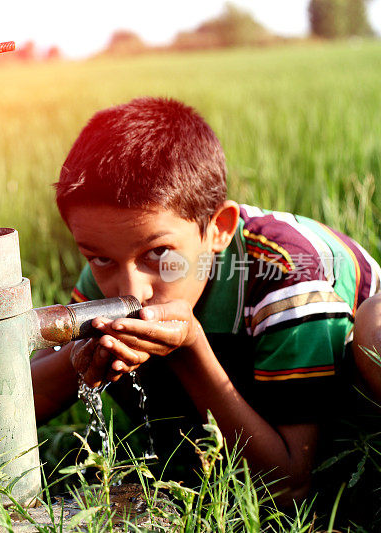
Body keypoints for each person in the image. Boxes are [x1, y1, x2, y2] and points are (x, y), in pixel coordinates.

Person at [31, 97, 381, 515]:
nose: (132, 289)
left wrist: (189, 348)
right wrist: (81, 357)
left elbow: (290, 487)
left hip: (351, 387)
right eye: (99, 257)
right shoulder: (117, 266)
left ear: (219, 230)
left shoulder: (285, 280)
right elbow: (26, 396)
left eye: (159, 253)